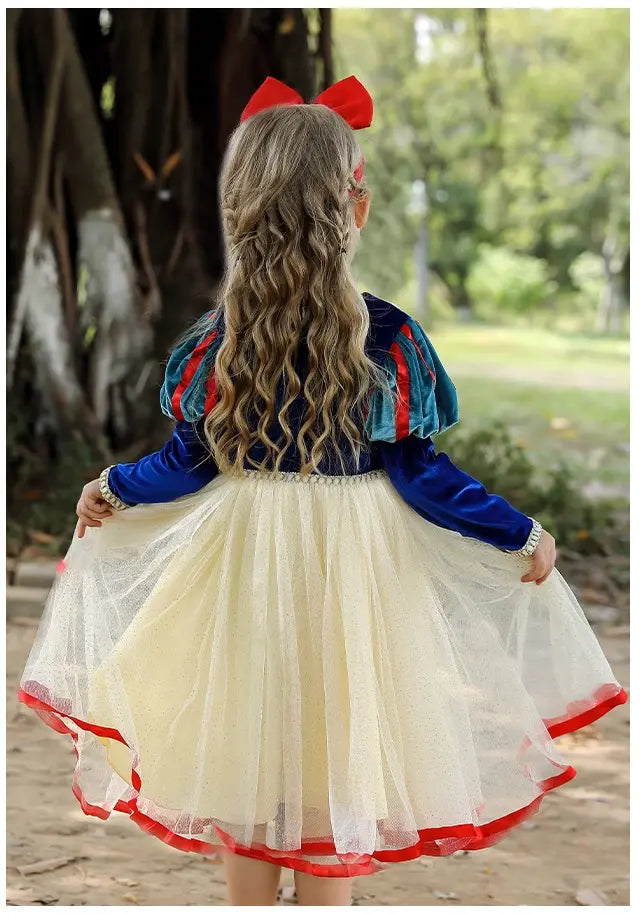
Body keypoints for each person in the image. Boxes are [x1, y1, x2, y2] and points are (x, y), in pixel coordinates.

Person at [19, 76, 627, 907]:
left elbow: (188, 461)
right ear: (358, 209)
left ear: (238, 213)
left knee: (247, 746)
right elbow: (421, 473)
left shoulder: (216, 342)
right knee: (336, 753)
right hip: (354, 574)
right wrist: (517, 532)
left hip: (242, 566)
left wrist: (113, 489)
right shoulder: (390, 339)